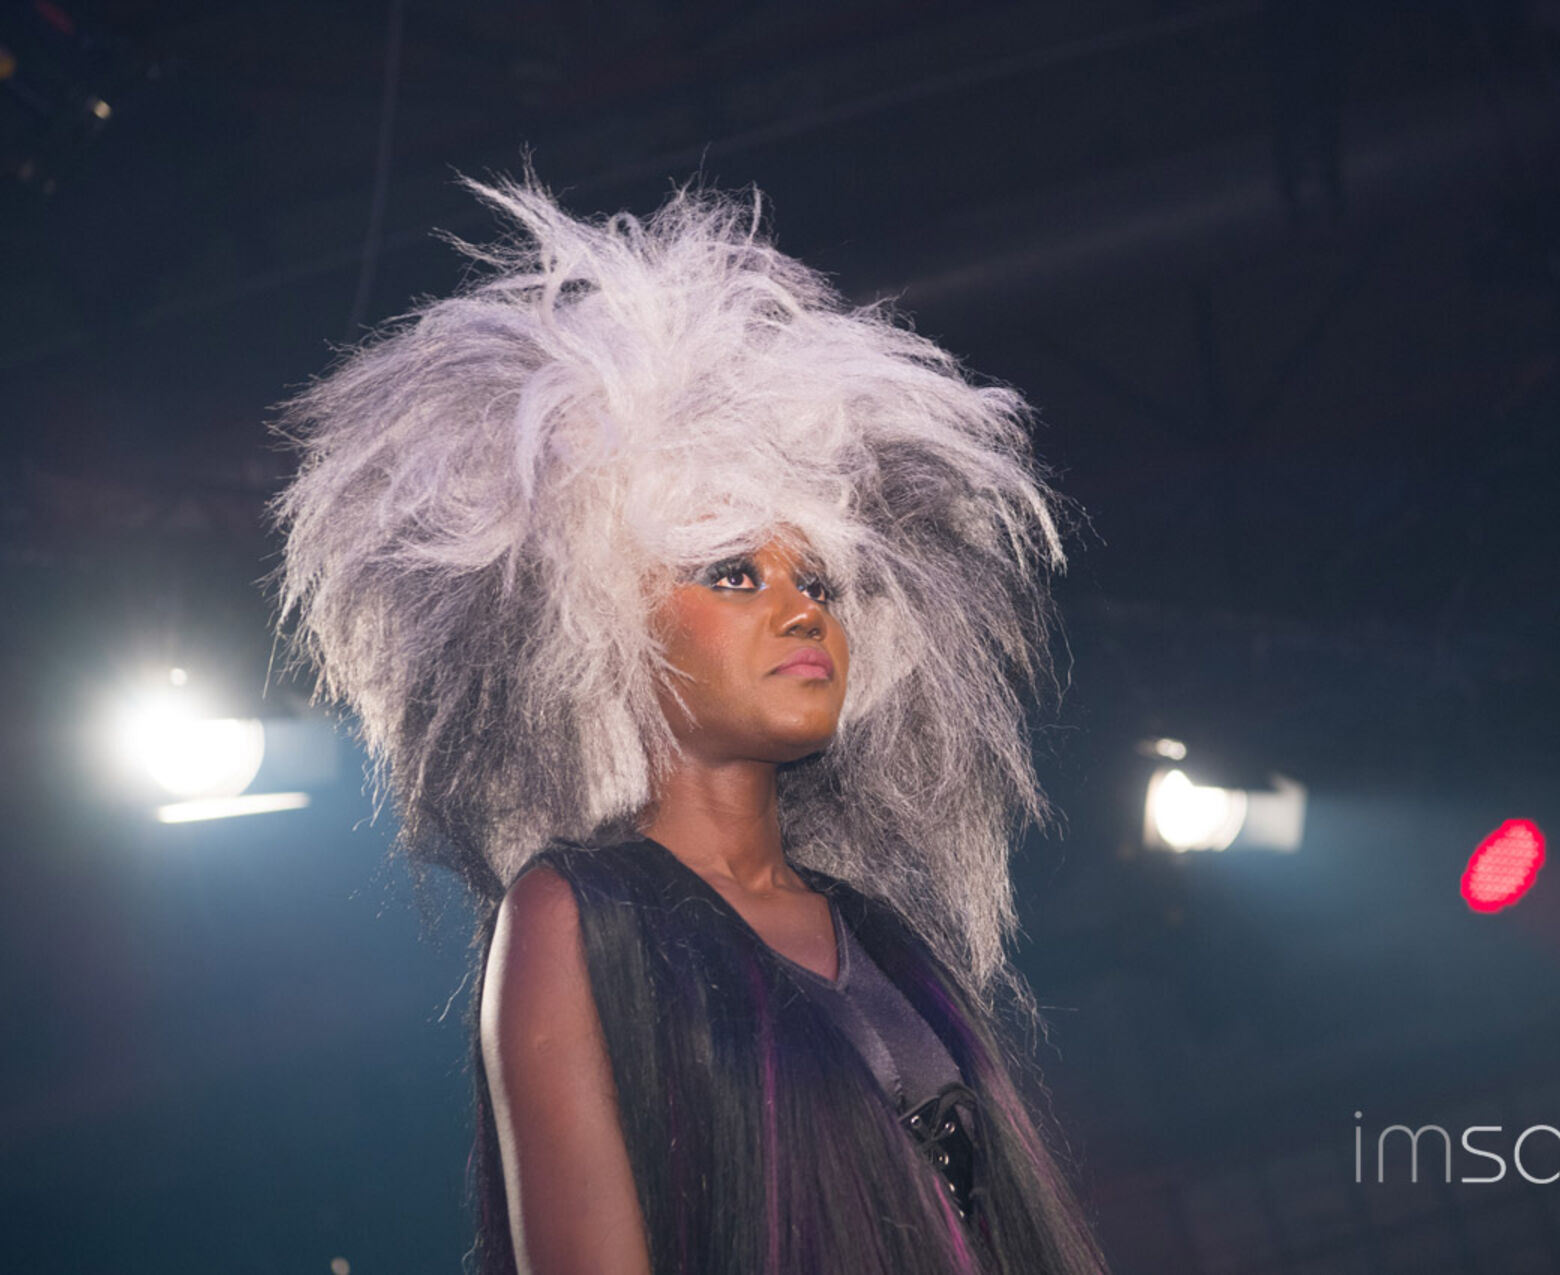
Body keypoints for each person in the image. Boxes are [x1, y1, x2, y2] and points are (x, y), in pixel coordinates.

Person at [270, 170, 1112, 1274]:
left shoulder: (882, 934)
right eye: (732, 574)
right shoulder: (579, 916)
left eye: (818, 579)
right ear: (599, 624)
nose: (803, 609)